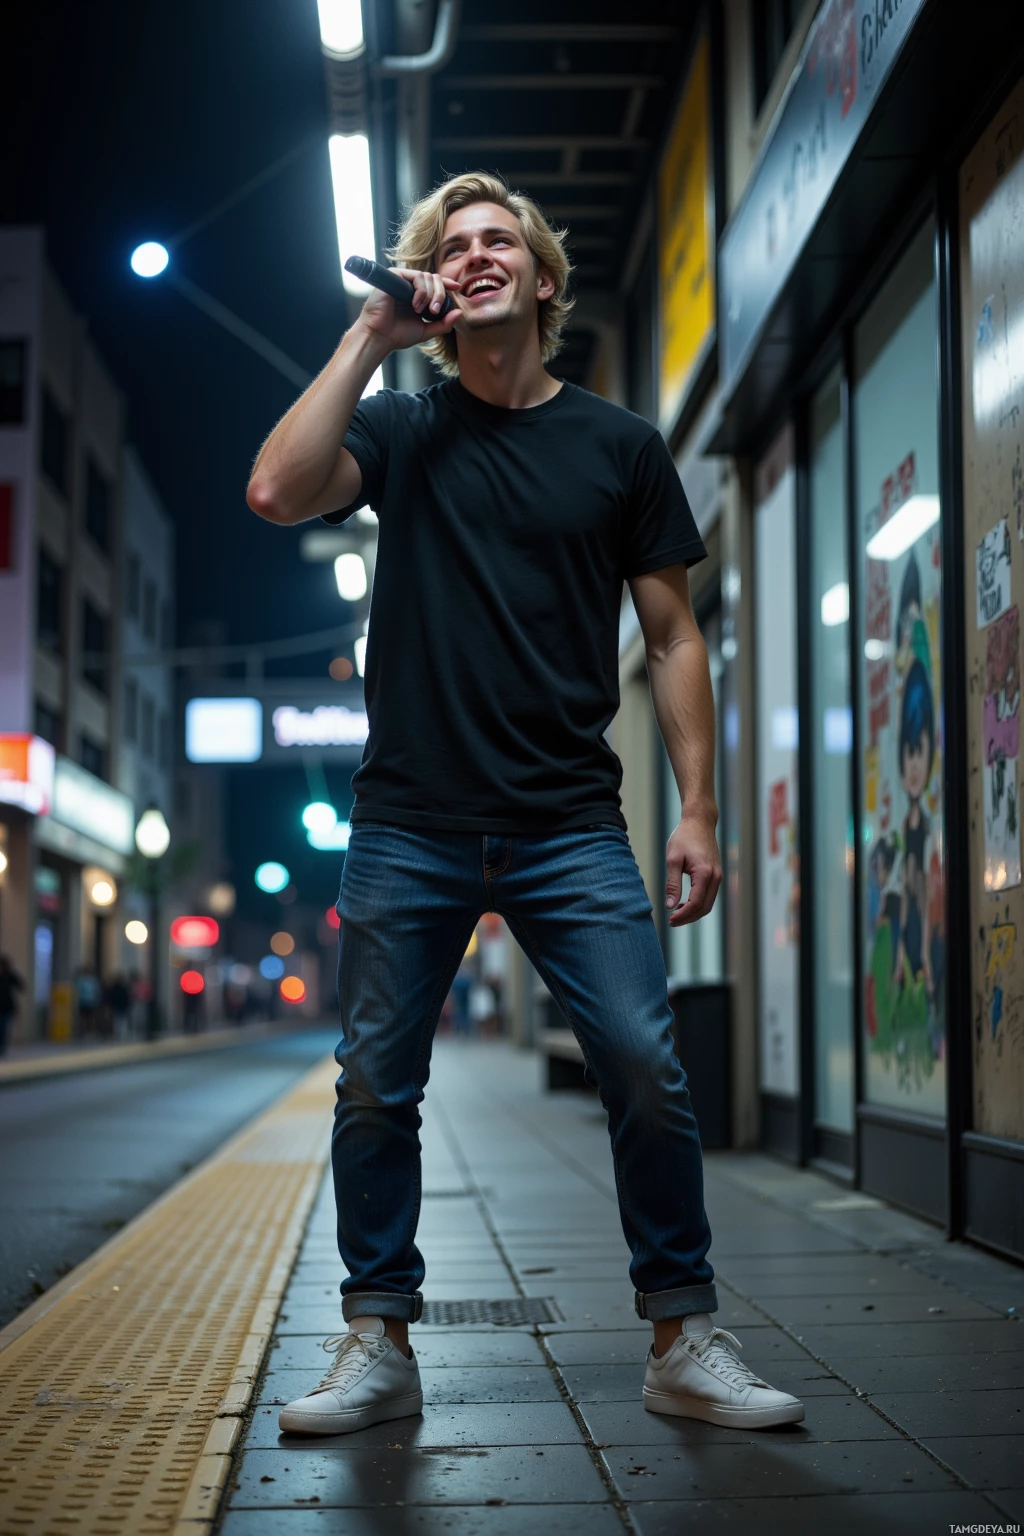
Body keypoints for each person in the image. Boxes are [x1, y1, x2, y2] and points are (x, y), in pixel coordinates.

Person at [248, 171, 803, 1437]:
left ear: (544, 282)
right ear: (439, 287)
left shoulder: (618, 446)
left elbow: (670, 639)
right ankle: (376, 1340)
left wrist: (699, 810)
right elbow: (278, 490)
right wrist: (372, 337)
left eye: (503, 242)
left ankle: (681, 1336)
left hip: (568, 822)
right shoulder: (402, 430)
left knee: (645, 1066)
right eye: (456, 246)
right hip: (408, 820)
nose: (480, 255)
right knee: (376, 1088)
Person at [0, 955, 24, 1056]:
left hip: (6, 1006)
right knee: (3, 1028)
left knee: (3, 1028)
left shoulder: (9, 975)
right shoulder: (10, 975)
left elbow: (21, 986)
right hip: (7, 1005)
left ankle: (2, 1048)